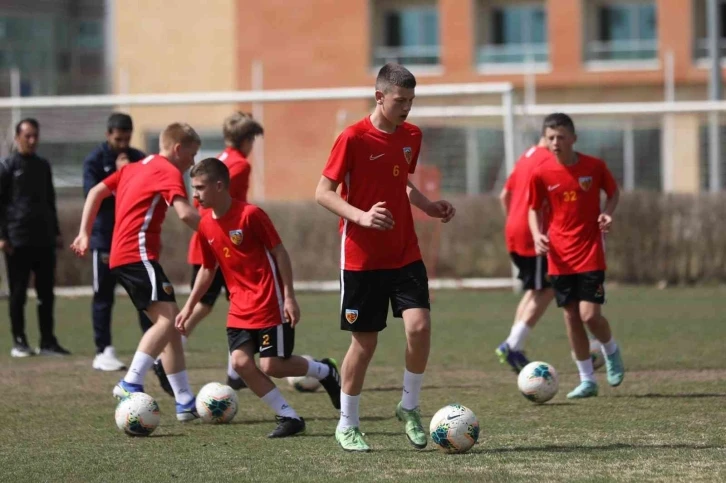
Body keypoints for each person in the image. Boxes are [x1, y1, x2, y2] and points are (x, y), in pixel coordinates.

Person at [315, 63, 456, 452]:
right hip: (361, 257)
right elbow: (323, 192)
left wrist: (428, 205)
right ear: (380, 97)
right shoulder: (352, 138)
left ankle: (408, 407)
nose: (407, 108)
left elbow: (400, 180)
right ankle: (347, 424)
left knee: (419, 328)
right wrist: (361, 216)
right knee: (365, 344)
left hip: (404, 251)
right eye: (400, 100)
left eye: (411, 100)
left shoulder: (412, 135)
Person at [176, 158, 341, 438]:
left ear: (219, 186)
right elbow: (207, 269)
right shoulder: (205, 226)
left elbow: (280, 252)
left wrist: (289, 296)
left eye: (200, 188)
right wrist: (188, 307)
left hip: (269, 302)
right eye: (193, 188)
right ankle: (289, 417)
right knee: (241, 364)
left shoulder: (251, 215)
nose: (196, 194)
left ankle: (324, 371)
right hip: (239, 306)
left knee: (272, 365)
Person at [71, 122, 202, 420]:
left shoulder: (134, 167)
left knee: (171, 324)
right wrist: (219, 233)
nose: (193, 162)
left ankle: (184, 401)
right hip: (137, 254)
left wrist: (84, 233)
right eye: (192, 154)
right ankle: (130, 381)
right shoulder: (168, 171)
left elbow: (96, 192)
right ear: (177, 149)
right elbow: (185, 213)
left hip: (123, 255)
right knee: (168, 321)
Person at [528, 113, 625, 399]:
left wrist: (607, 213)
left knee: (589, 315)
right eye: (550, 138)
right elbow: (533, 208)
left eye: (561, 137)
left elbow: (613, 192)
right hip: (559, 256)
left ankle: (611, 351)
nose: (555, 142)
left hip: (590, 252)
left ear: (573, 138)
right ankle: (587, 380)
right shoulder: (541, 173)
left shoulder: (594, 167)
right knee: (571, 316)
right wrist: (537, 235)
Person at [82, 113, 168, 388]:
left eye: (126, 138)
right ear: (108, 135)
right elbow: (94, 196)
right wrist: (120, 176)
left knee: (145, 299)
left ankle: (152, 350)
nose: (122, 144)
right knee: (103, 295)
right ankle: (103, 350)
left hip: (133, 242)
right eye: (118, 138)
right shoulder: (95, 161)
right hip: (105, 240)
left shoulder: (138, 158)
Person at [184, 112, 263, 390]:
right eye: (252, 139)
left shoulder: (219, 160)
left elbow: (201, 203)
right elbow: (224, 207)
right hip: (223, 245)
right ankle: (167, 352)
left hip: (211, 241)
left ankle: (234, 374)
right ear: (247, 139)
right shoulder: (240, 165)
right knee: (223, 304)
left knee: (213, 304)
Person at [0, 118, 69, 357]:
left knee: (46, 293)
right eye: (27, 136)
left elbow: (50, 200)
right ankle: (19, 341)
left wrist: (56, 232)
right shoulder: (7, 166)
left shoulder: (43, 165)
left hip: (44, 238)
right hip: (17, 240)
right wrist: (2, 236)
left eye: (35, 136)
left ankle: (47, 341)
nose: (31, 140)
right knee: (18, 293)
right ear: (17, 137)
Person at [495, 138, 555, 373]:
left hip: (513, 230)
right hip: (533, 233)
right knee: (548, 288)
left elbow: (504, 195)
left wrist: (514, 220)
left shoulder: (525, 156)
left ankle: (514, 346)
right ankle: (511, 345)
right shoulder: (549, 159)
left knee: (534, 290)